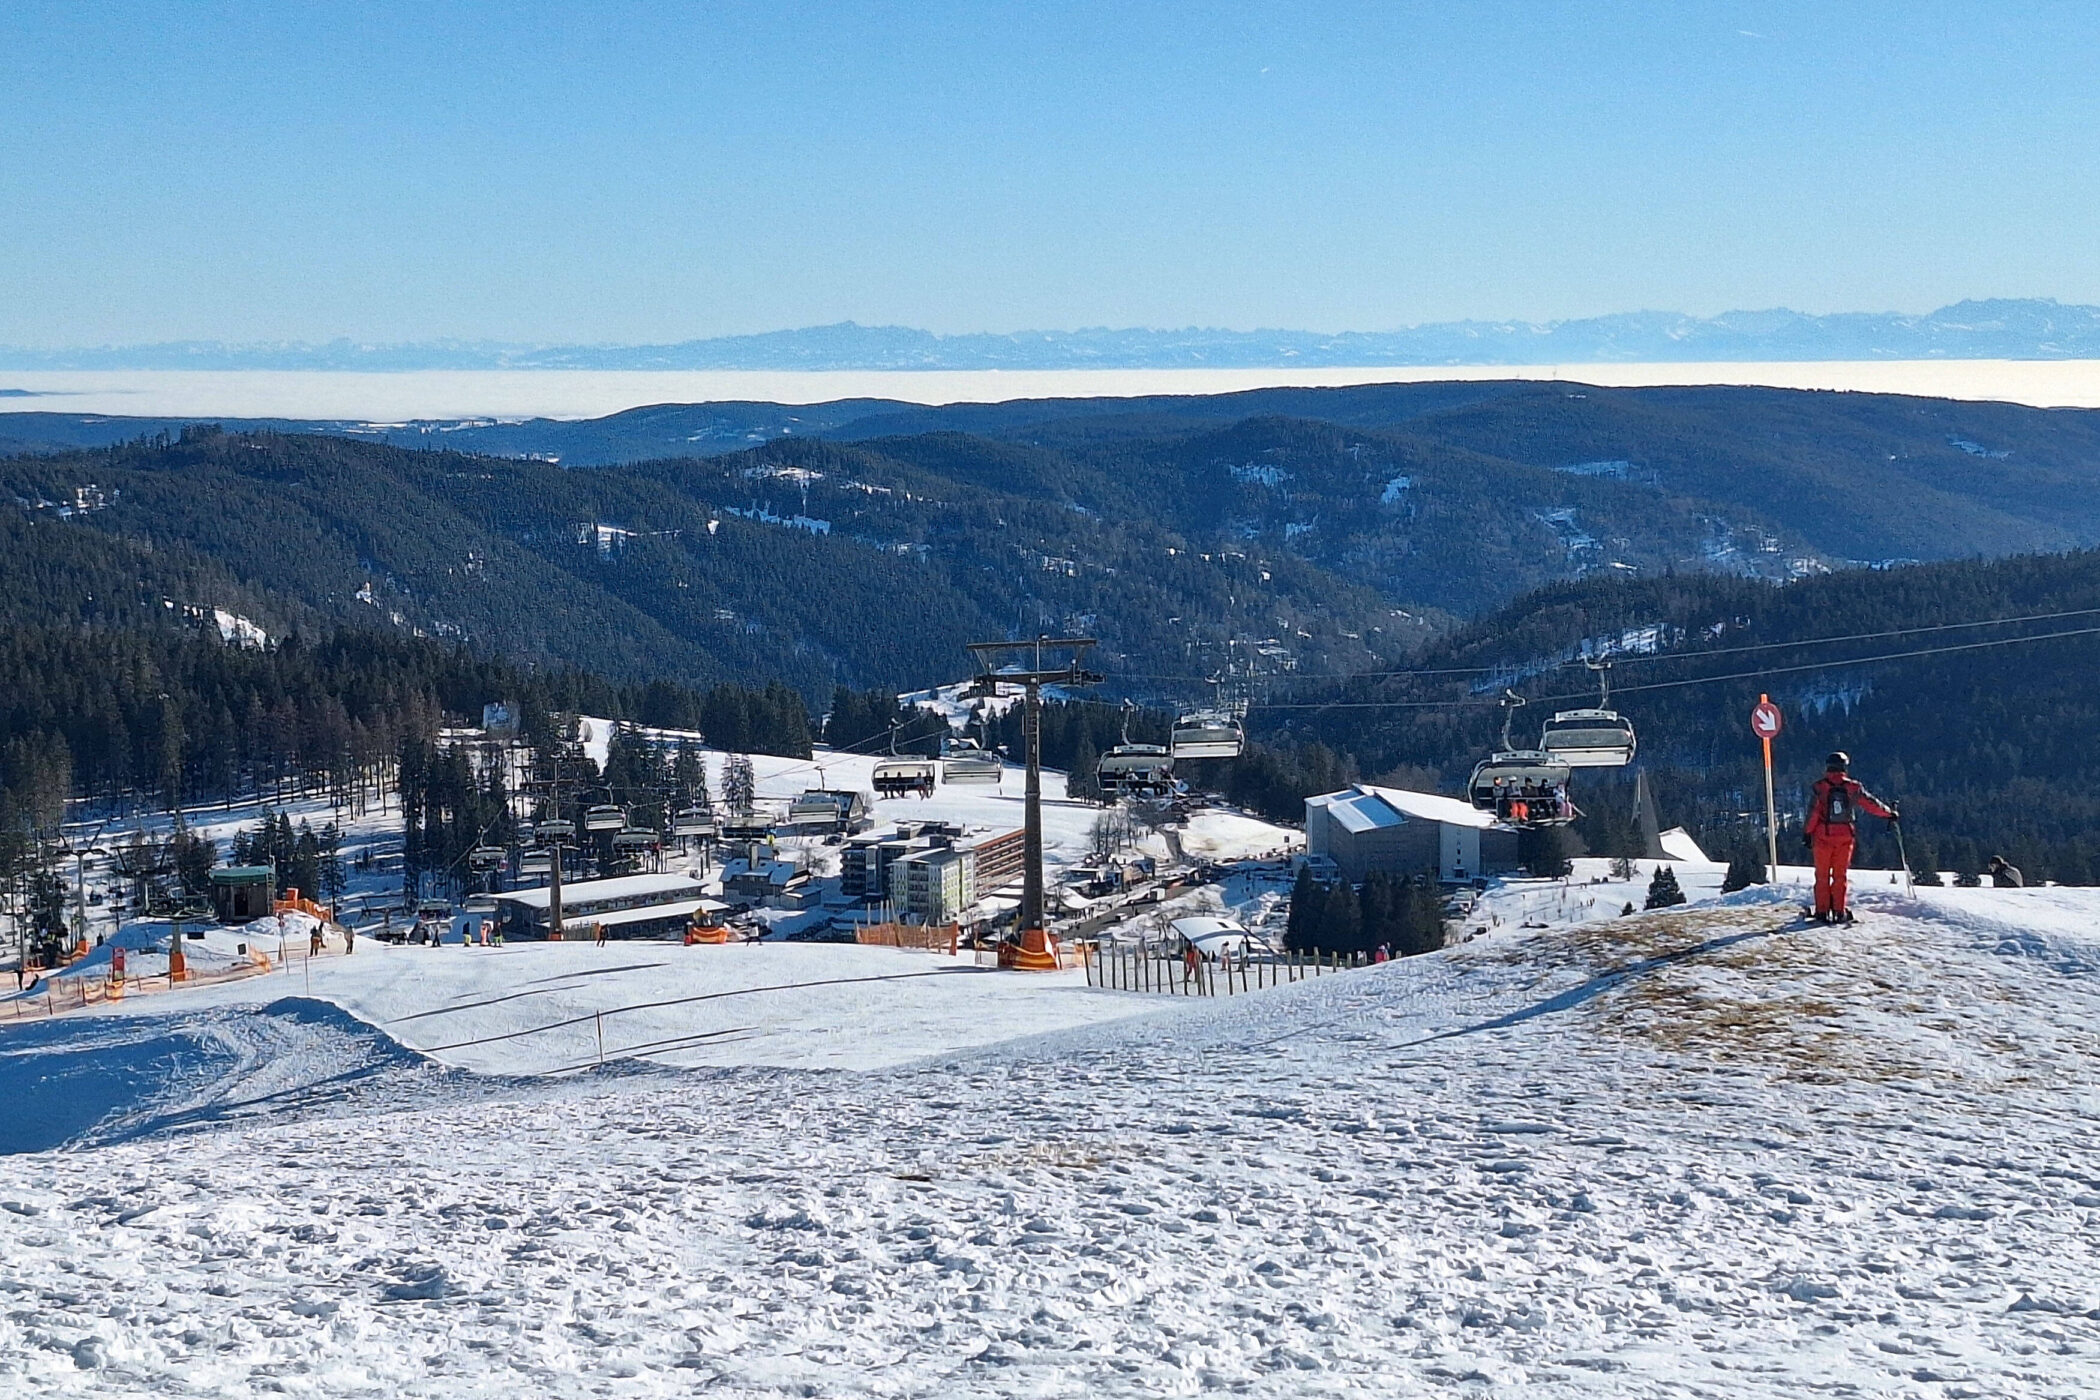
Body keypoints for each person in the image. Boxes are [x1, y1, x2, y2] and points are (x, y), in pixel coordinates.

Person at [1804, 751, 1898, 923]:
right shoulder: (1853, 788)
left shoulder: (1820, 788)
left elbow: (1813, 814)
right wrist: (1889, 813)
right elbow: (1871, 804)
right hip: (1845, 837)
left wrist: (1807, 833)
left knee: (1822, 875)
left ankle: (1822, 912)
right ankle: (1839, 912)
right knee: (1840, 876)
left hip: (1823, 837)